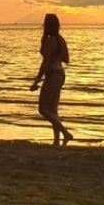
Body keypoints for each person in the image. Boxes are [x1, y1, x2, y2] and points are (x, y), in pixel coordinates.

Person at [30, 12, 72, 145]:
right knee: (53, 110)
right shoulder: (60, 39)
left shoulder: (50, 40)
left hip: (53, 74)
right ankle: (57, 139)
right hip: (60, 73)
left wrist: (37, 80)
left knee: (43, 109)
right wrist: (57, 56)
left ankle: (65, 133)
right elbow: (66, 59)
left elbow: (45, 62)